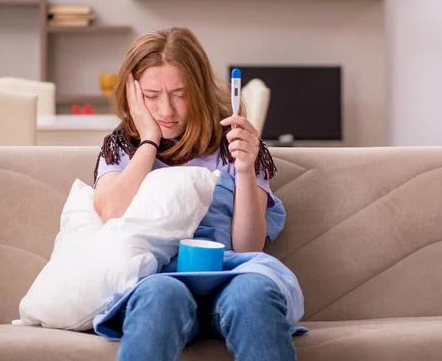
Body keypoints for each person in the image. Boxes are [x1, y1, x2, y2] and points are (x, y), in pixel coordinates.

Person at [91, 27, 303, 361]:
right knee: (161, 294)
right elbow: (111, 213)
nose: (166, 110)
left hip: (230, 279)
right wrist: (149, 140)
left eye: (179, 93)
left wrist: (245, 170)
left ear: (200, 90)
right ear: (132, 93)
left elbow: (248, 247)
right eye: (151, 95)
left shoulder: (236, 142)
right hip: (158, 279)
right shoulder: (121, 147)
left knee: (255, 292)